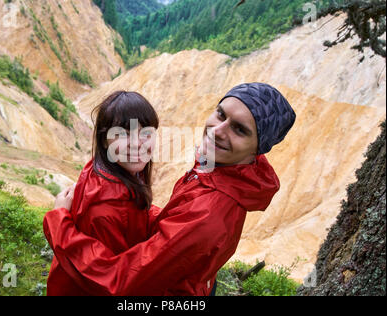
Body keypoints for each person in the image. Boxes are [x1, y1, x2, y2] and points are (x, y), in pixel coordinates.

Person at [43, 82, 296, 296]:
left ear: (256, 149)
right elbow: (177, 228)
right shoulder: (223, 168)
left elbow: (120, 282)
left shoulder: (207, 216)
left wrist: (59, 224)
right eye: (221, 114)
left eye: (239, 129)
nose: (217, 131)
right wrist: (139, 207)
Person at [46, 91, 159, 296]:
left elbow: (133, 214)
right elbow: (109, 279)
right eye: (123, 133)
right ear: (105, 140)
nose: (136, 143)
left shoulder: (111, 169)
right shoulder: (104, 210)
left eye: (146, 133)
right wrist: (58, 221)